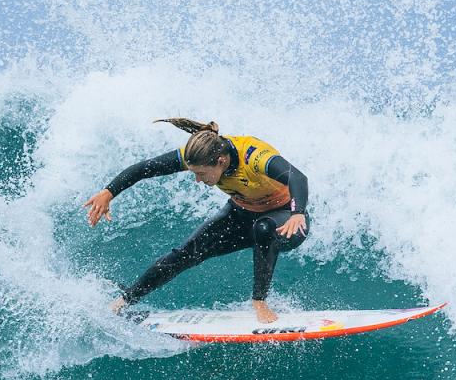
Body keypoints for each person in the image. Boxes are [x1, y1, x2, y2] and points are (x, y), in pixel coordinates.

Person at [84, 118, 311, 324]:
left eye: (201, 174)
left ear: (221, 161)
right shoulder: (201, 154)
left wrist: (297, 212)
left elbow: (297, 177)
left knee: (263, 228)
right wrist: (108, 192)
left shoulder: (254, 156)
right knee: (185, 253)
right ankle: (124, 301)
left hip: (285, 220)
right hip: (241, 214)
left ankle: (259, 301)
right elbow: (145, 168)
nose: (197, 179)